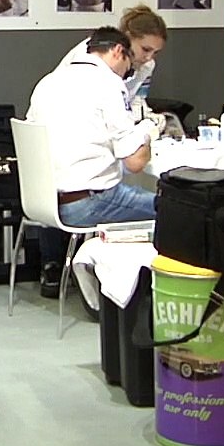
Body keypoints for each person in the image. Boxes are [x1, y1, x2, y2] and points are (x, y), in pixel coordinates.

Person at [27, 26, 165, 297]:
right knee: (173, 210)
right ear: (117, 51)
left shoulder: (48, 82)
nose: (130, 71)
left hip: (43, 204)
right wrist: (149, 130)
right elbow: (135, 162)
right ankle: (142, 291)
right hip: (88, 202)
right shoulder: (108, 83)